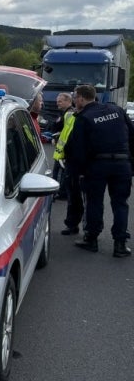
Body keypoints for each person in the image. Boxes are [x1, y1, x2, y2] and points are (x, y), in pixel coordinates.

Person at [65, 84, 133, 257]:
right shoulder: (117, 110)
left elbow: (77, 148)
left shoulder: (84, 117)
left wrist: (77, 171)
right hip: (122, 164)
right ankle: (119, 244)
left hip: (97, 165)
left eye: (75, 97)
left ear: (81, 98)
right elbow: (132, 135)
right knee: (120, 204)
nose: (74, 100)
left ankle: (91, 239)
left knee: (94, 202)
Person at [52, 92, 84, 235]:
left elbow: (70, 134)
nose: (57, 103)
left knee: (76, 194)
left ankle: (85, 231)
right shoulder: (68, 114)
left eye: (60, 101)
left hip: (69, 157)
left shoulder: (71, 114)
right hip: (64, 154)